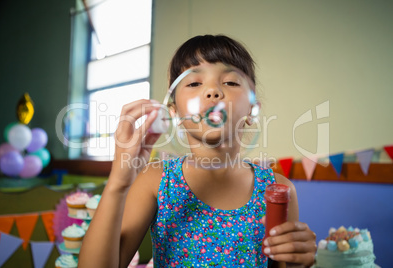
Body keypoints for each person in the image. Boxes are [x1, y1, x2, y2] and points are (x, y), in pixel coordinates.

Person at [79, 35, 317, 268]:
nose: (213, 92)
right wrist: (118, 183)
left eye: (231, 82)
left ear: (252, 109)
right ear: (174, 112)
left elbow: (282, 263)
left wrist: (298, 263)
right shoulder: (157, 180)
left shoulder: (276, 191)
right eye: (194, 83)